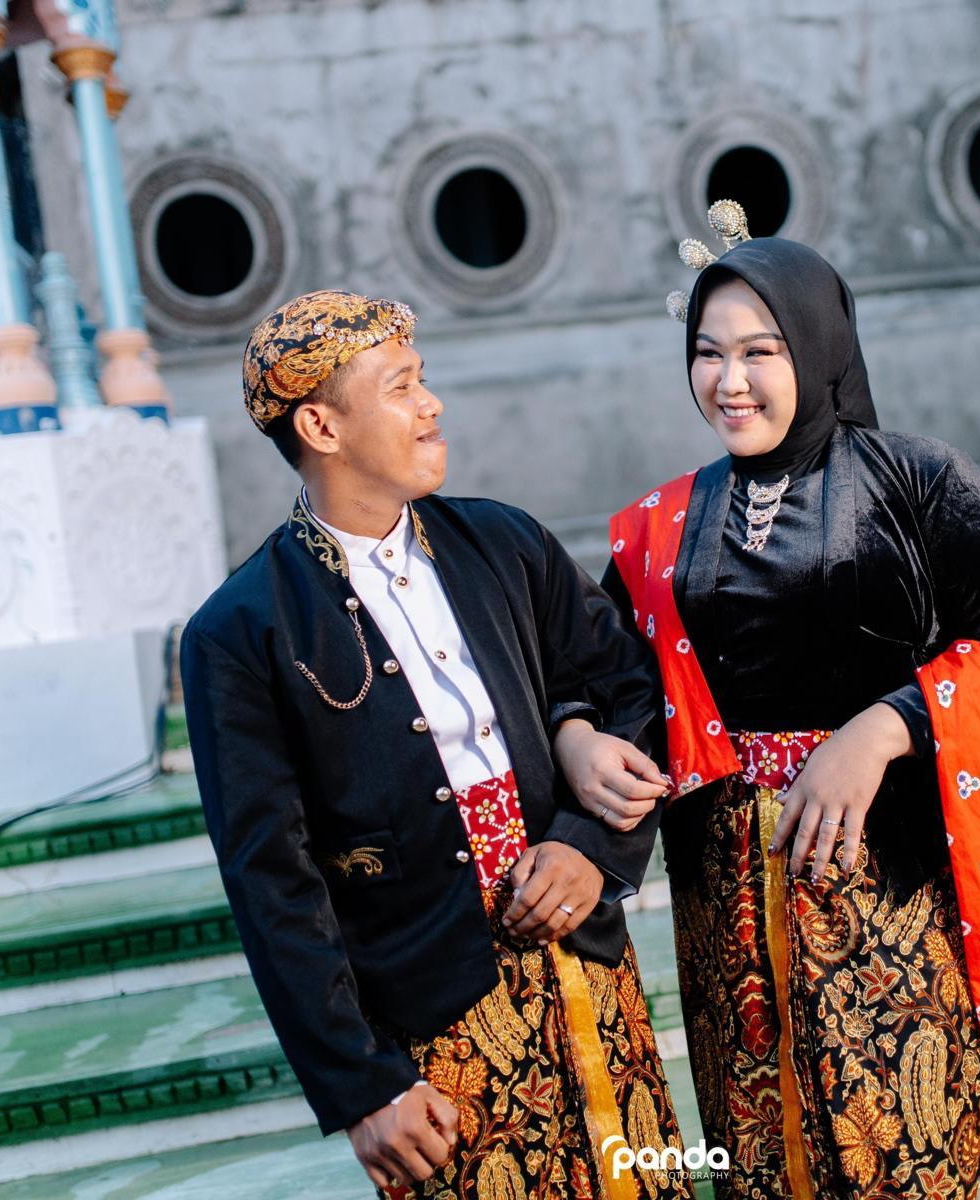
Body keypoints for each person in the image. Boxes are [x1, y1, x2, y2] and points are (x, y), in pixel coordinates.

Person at [594, 208, 980, 1199]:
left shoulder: (914, 480)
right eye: (707, 354)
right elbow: (614, 680)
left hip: (891, 884)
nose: (729, 381)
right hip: (728, 899)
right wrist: (583, 739)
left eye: (759, 351)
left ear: (817, 347)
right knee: (758, 1153)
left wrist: (882, 728)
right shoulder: (661, 524)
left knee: (898, 1149)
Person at [180, 290, 690, 1200]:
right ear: (321, 426)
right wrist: (362, 1087)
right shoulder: (241, 630)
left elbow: (631, 684)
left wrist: (591, 846)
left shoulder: (502, 542)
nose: (432, 404)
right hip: (427, 1025)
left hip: (587, 969)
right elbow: (272, 880)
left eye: (424, 380)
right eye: (401, 387)